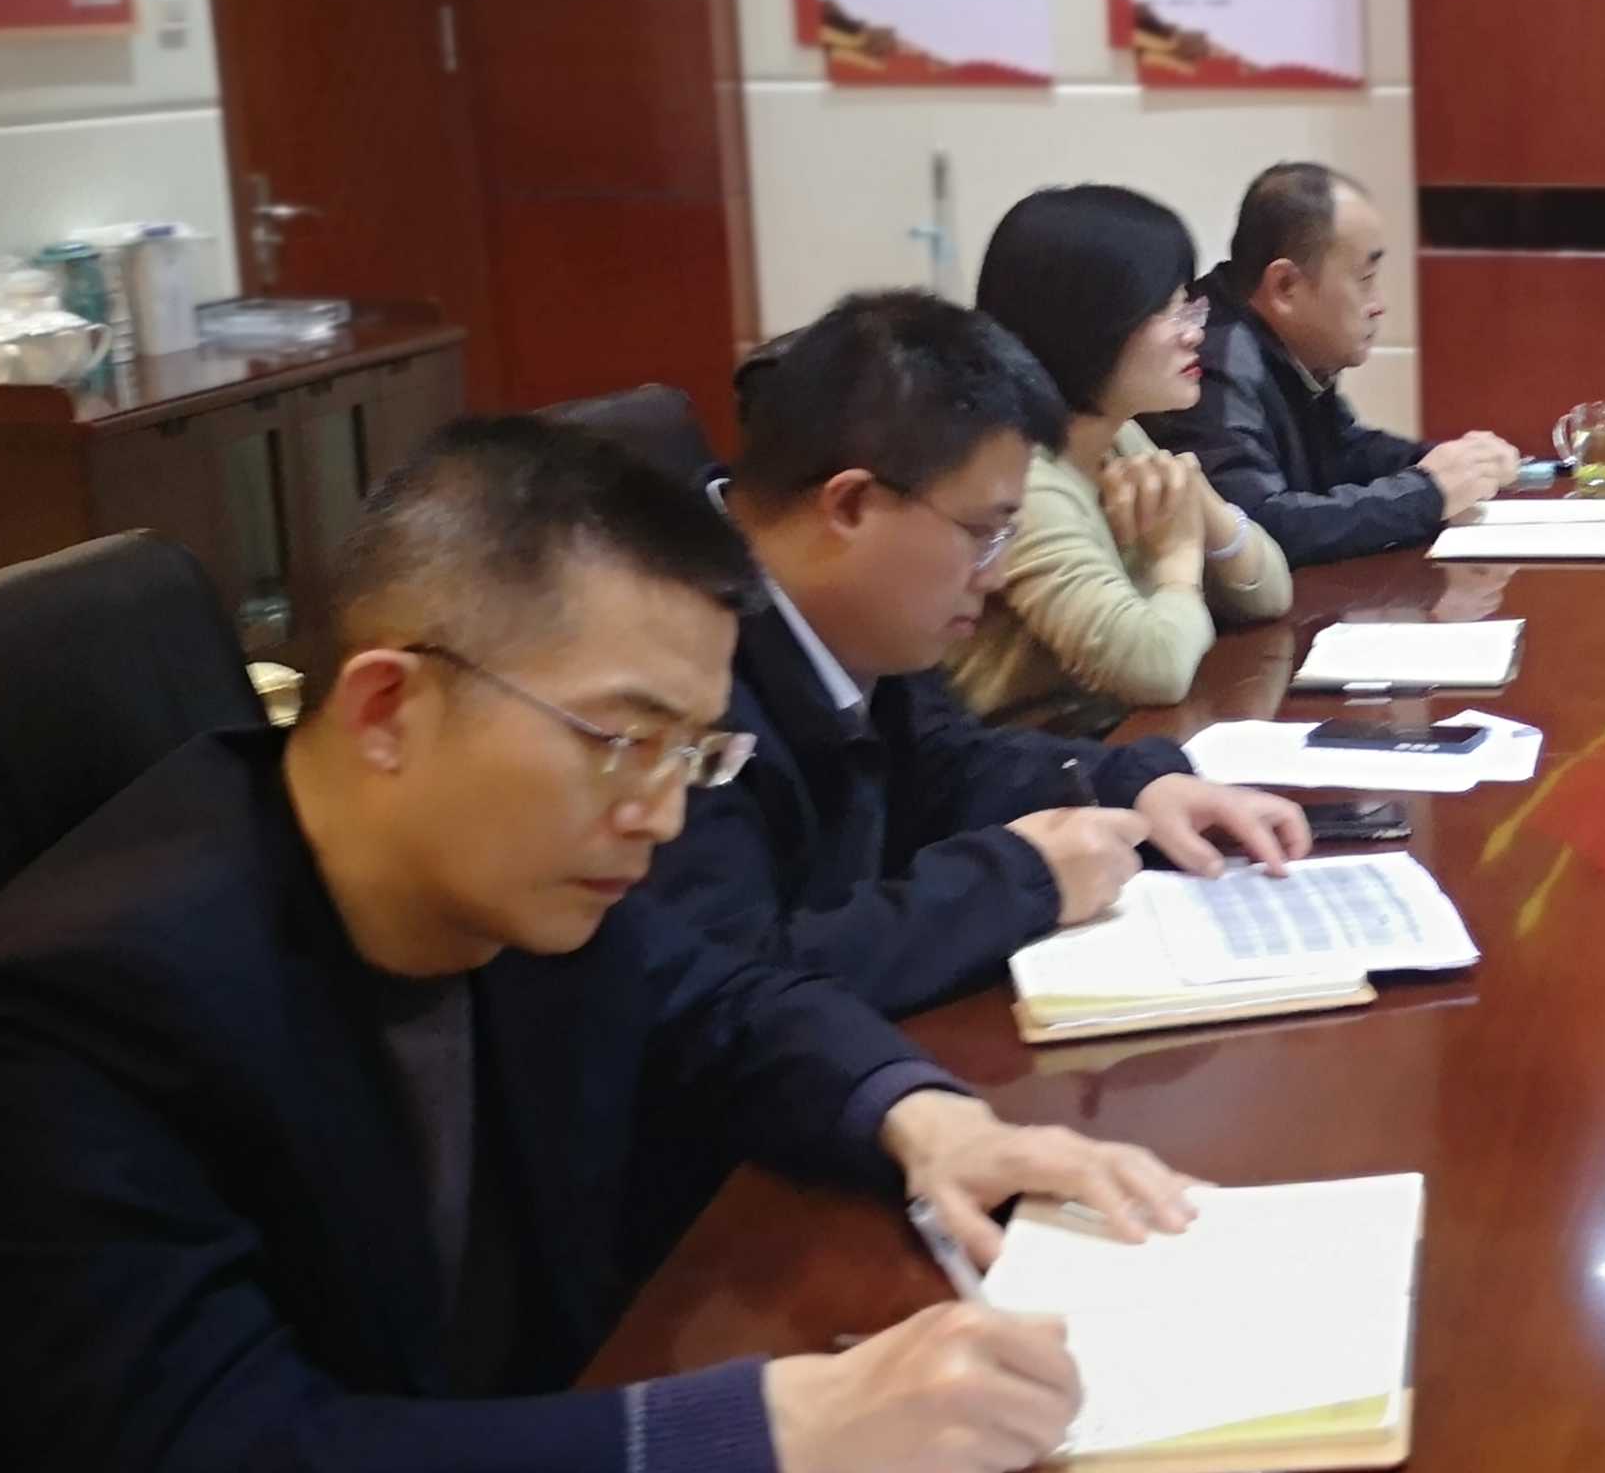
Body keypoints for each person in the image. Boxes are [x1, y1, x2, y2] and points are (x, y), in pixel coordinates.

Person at [0, 419, 1202, 1473]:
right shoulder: (78, 1008)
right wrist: (795, 1427)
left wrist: (923, 1115)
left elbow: (717, 1000)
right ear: (388, 709)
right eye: (623, 740)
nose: (661, 814)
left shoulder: (502, 869)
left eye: (695, 754)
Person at [643, 289, 1307, 1019]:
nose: (994, 576)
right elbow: (732, 983)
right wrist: (1021, 878)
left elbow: (945, 759)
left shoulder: (851, 615)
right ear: (850, 505)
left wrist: (1134, 785)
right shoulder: (666, 665)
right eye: (983, 533)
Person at [953, 183, 1293, 720]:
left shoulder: (1116, 435)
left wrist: (1203, 503)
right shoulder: (1023, 481)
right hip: (1039, 758)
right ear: (1089, 324)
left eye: (1189, 305)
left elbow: (1269, 594)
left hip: (1116, 741)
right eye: (1168, 310)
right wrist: (1178, 557)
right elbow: (1155, 668)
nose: (1194, 333)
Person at [1148, 160, 1522, 564]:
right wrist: (1427, 494)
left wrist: (1456, 465)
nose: (1380, 305)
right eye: (1365, 279)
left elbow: (1344, 452)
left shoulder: (1279, 343)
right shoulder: (1209, 363)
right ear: (1285, 286)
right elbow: (1254, 529)